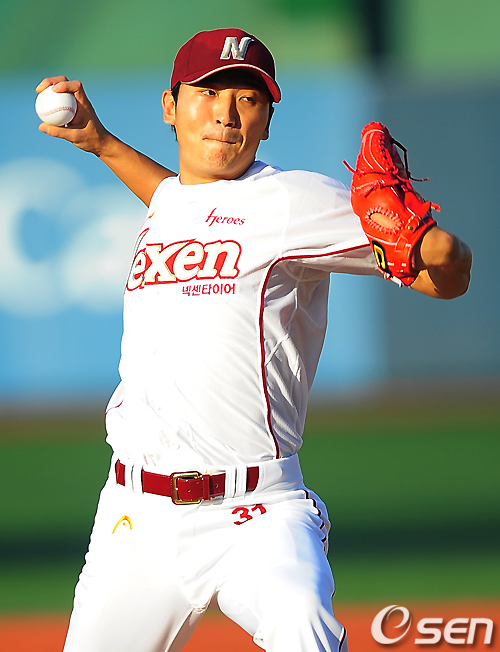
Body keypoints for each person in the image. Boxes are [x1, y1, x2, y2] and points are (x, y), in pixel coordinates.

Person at [36, 28, 472, 652]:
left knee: (304, 633)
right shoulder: (170, 202)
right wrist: (101, 142)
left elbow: (447, 275)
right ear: (170, 107)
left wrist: (430, 240)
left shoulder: (295, 200)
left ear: (267, 121)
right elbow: (178, 199)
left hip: (257, 514)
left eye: (248, 98)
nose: (227, 113)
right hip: (136, 515)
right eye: (209, 92)